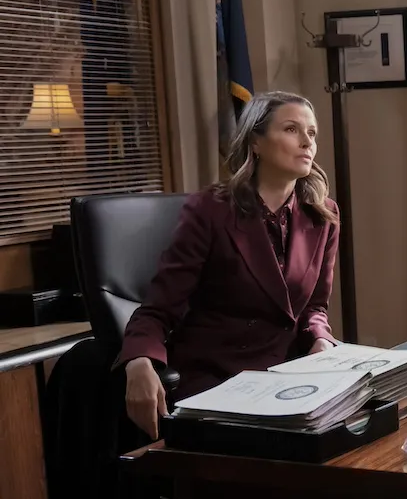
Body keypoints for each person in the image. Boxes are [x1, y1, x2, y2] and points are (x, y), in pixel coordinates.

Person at [117, 91, 341, 439]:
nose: (306, 142)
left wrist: (320, 341)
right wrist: (139, 362)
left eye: (311, 133)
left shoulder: (323, 214)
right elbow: (158, 309)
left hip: (289, 375)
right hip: (217, 377)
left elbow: (314, 307)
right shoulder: (211, 210)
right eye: (292, 130)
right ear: (256, 142)